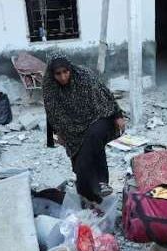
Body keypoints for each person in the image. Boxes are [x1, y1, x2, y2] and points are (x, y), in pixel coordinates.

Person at [43, 53, 126, 204]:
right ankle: (88, 196)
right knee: (81, 162)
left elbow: (105, 95)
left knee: (93, 137)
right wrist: (57, 133)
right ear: (52, 74)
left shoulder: (84, 76)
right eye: (58, 74)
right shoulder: (50, 87)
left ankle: (101, 183)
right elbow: (51, 112)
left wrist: (118, 115)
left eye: (65, 72)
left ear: (70, 69)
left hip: (100, 116)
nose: (63, 77)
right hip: (73, 130)